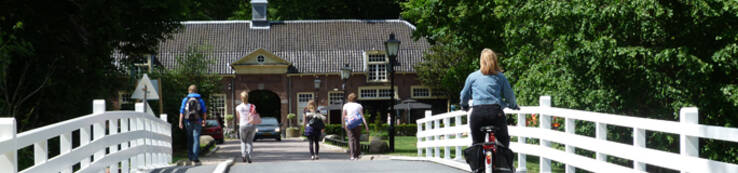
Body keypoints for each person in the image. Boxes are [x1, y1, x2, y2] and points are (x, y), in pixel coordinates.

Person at [459, 48, 519, 148]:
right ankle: (502, 161)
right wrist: (513, 106)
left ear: (481, 61)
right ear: (494, 61)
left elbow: (464, 95)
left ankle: (477, 162)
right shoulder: (500, 77)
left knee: (477, 143)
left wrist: (464, 105)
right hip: (495, 113)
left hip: (478, 113)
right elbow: (509, 95)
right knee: (503, 141)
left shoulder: (472, 77)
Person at [179, 84, 207, 163]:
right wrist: (204, 121)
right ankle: (195, 157)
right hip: (198, 121)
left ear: (189, 91)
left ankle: (190, 156)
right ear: (196, 90)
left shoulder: (185, 99)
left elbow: (182, 111)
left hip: (188, 121)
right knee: (196, 139)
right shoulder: (200, 99)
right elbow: (204, 111)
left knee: (189, 139)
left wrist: (180, 122)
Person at [342, 93, 369, 160]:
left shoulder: (346, 105)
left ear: (349, 98)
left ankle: (352, 155)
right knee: (357, 139)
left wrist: (343, 124)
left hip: (349, 123)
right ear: (356, 99)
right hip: (358, 124)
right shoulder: (359, 105)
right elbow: (362, 116)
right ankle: (357, 155)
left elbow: (343, 116)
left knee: (351, 139)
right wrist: (366, 125)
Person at [235, 91, 261, 163]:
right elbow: (254, 116)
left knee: (243, 141)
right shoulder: (252, 106)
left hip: (242, 125)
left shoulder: (238, 107)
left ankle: (243, 155)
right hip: (251, 125)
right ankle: (249, 155)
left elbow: (238, 117)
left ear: (241, 98)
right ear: (247, 97)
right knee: (249, 141)